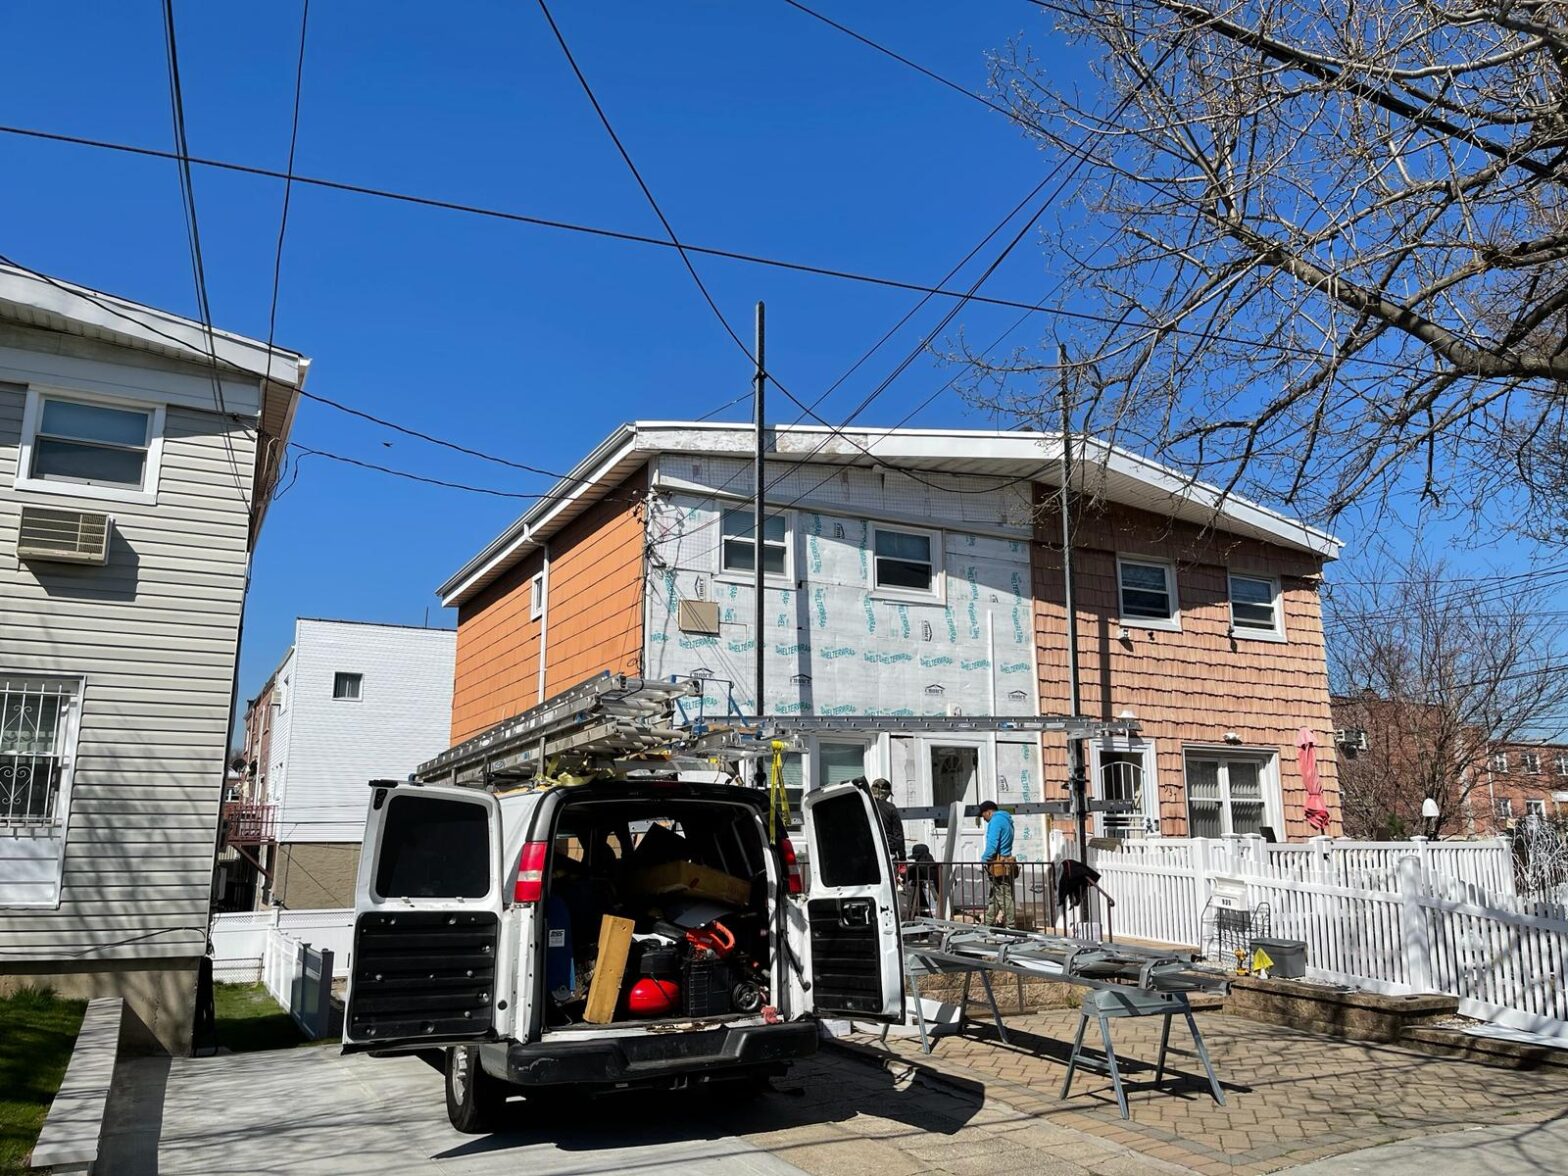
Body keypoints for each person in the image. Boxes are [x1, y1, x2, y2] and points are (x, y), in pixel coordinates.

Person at [978, 800, 1016, 928]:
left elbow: (992, 845)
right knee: (995, 896)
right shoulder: (1006, 820)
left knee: (1004, 896)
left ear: (988, 811)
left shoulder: (995, 821)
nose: (983, 819)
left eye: (983, 815)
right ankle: (988, 923)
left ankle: (1011, 927)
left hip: (997, 863)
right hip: (1005, 862)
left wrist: (984, 859)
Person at [869, 778, 906, 862]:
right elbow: (898, 834)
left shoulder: (865, 806)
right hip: (889, 852)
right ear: (885, 793)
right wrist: (902, 857)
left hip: (870, 852)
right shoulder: (890, 808)